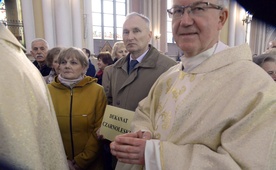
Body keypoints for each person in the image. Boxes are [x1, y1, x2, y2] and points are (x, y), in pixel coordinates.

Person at [110, 0, 276, 169]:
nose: (185, 21)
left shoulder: (255, 86)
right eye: (177, 11)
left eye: (198, 9)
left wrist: (155, 154)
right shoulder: (170, 75)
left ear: (221, 18)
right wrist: (143, 133)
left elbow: (244, 165)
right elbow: (145, 112)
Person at [0, 24, 68, 169]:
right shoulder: (26, 63)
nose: (38, 52)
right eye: (35, 49)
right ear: (31, 51)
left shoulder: (11, 59)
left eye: (42, 48)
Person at [102, 12, 177, 111]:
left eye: (136, 31)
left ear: (149, 35)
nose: (130, 37)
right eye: (126, 32)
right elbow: (109, 102)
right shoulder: (115, 68)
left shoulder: (169, 68)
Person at [48, 47, 107, 170]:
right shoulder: (48, 91)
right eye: (63, 62)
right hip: (58, 162)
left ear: (84, 67)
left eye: (73, 62)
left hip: (92, 162)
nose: (67, 66)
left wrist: (82, 160)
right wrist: (62, 160)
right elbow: (46, 128)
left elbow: (99, 129)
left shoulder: (97, 91)